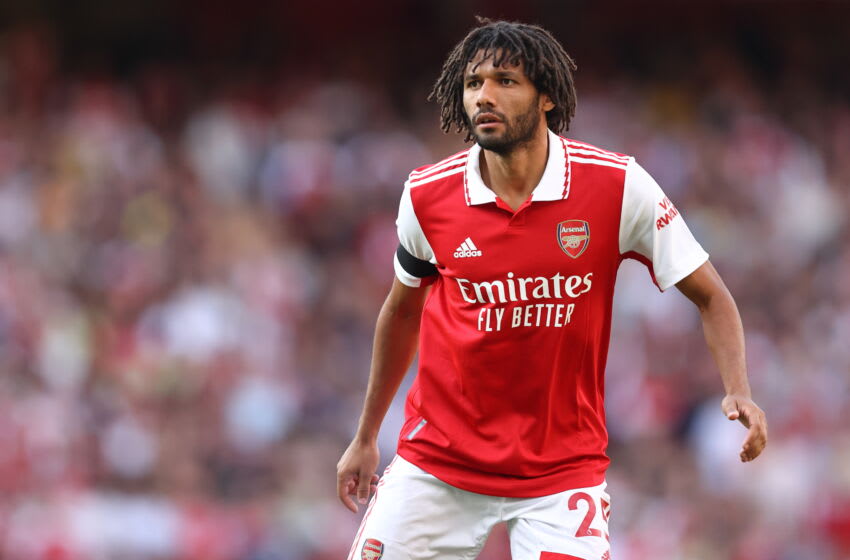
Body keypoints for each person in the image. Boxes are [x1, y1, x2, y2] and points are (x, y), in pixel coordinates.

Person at [337, 18, 767, 560]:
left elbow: (711, 295)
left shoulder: (616, 185)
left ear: (546, 96)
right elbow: (402, 313)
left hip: (561, 476)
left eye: (505, 81)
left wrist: (738, 388)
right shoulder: (427, 194)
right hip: (438, 466)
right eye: (473, 84)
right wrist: (366, 435)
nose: (484, 96)